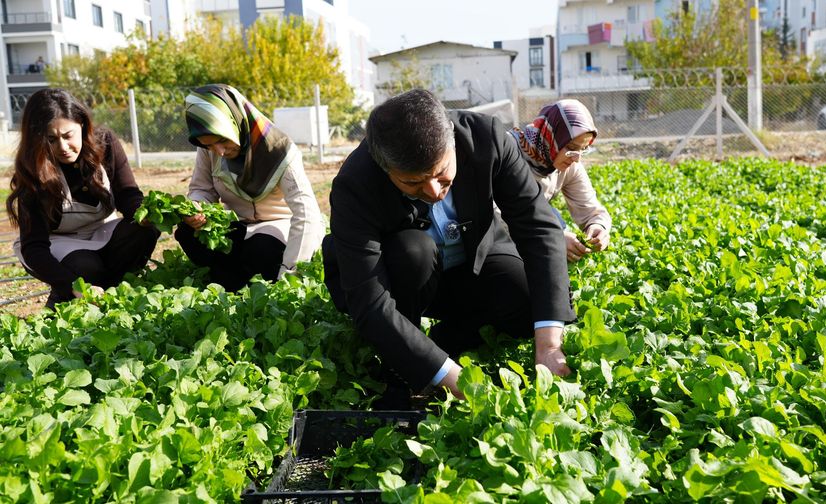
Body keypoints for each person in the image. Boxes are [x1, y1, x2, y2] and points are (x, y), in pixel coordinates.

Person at [323, 89, 575, 404]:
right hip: (403, 276)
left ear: (452, 143)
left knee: (526, 299)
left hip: (470, 262)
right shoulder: (355, 183)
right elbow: (370, 302)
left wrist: (549, 346)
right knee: (412, 251)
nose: (433, 191)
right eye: (412, 183)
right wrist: (450, 378)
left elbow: (537, 226)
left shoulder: (487, 138)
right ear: (385, 169)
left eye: (441, 174)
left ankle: (447, 339)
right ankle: (403, 369)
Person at [7, 88, 159, 308]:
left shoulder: (105, 144)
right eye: (51, 139)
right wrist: (72, 285)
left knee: (145, 230)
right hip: (59, 243)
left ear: (82, 124)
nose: (63, 147)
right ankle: (64, 297)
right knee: (86, 267)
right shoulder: (33, 171)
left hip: (103, 231)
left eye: (68, 136)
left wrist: (143, 214)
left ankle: (112, 291)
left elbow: (128, 195)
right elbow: (34, 248)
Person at [178, 84, 325, 290]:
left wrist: (291, 274)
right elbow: (202, 189)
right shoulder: (209, 147)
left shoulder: (280, 150)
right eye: (209, 145)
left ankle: (243, 278)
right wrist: (197, 207)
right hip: (238, 225)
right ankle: (229, 279)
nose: (219, 152)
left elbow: (306, 214)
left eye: (222, 140)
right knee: (187, 232)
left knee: (261, 250)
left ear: (236, 123)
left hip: (278, 225)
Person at [509, 99, 612, 262]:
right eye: (571, 147)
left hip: (526, 222)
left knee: (552, 221)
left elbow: (591, 210)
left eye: (583, 149)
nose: (577, 158)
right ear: (551, 136)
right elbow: (493, 213)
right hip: (490, 228)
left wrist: (598, 226)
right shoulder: (508, 153)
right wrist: (551, 238)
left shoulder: (570, 164)